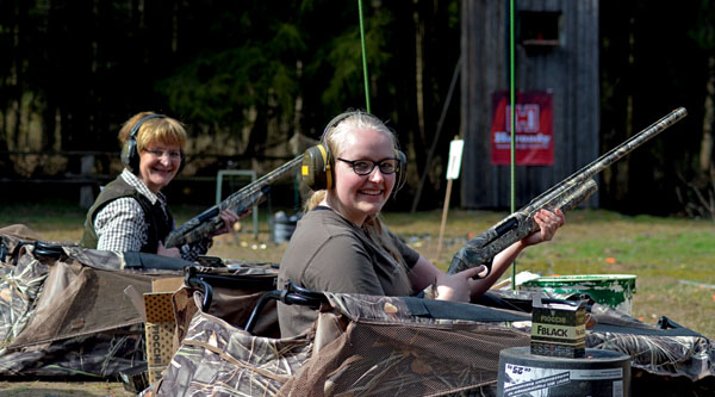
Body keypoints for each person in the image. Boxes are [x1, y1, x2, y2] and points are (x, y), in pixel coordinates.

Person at [277, 110, 565, 337]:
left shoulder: (370, 229)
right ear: (324, 171)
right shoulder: (336, 246)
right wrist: (443, 307)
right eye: (361, 165)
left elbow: (454, 284)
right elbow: (377, 343)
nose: (377, 178)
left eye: (386, 165)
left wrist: (520, 240)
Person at [80, 111, 239, 261]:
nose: (166, 162)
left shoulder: (152, 201)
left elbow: (176, 258)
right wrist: (161, 262)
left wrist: (206, 234)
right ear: (134, 155)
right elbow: (114, 278)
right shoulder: (127, 207)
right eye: (157, 152)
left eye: (174, 153)